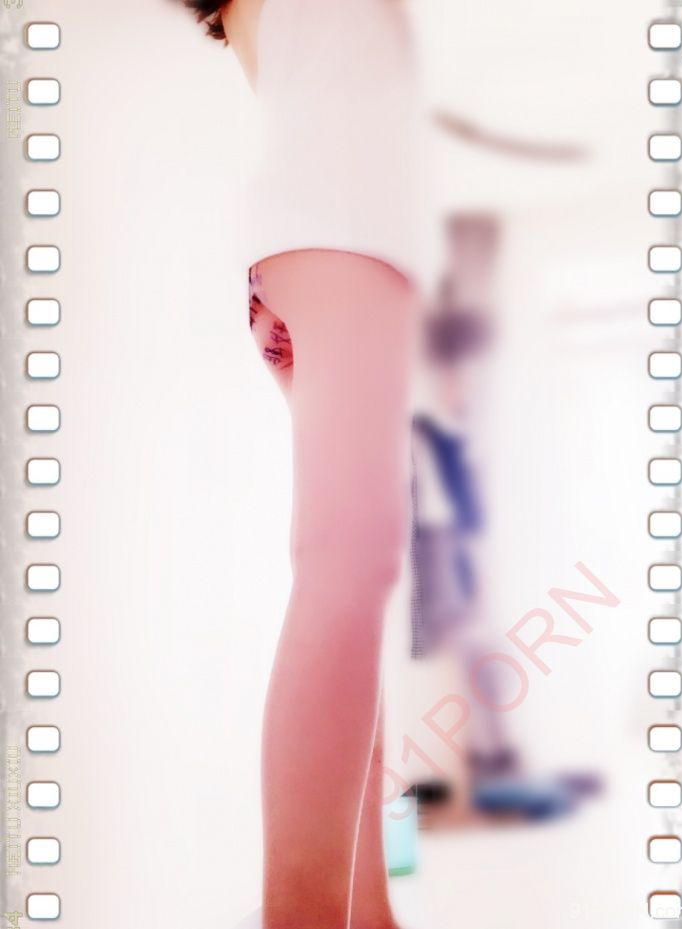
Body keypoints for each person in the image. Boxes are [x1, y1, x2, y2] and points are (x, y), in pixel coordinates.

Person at [180, 2, 429, 927]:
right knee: (348, 569)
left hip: (293, 247)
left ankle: (369, 910)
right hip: (350, 231)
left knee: (345, 581)